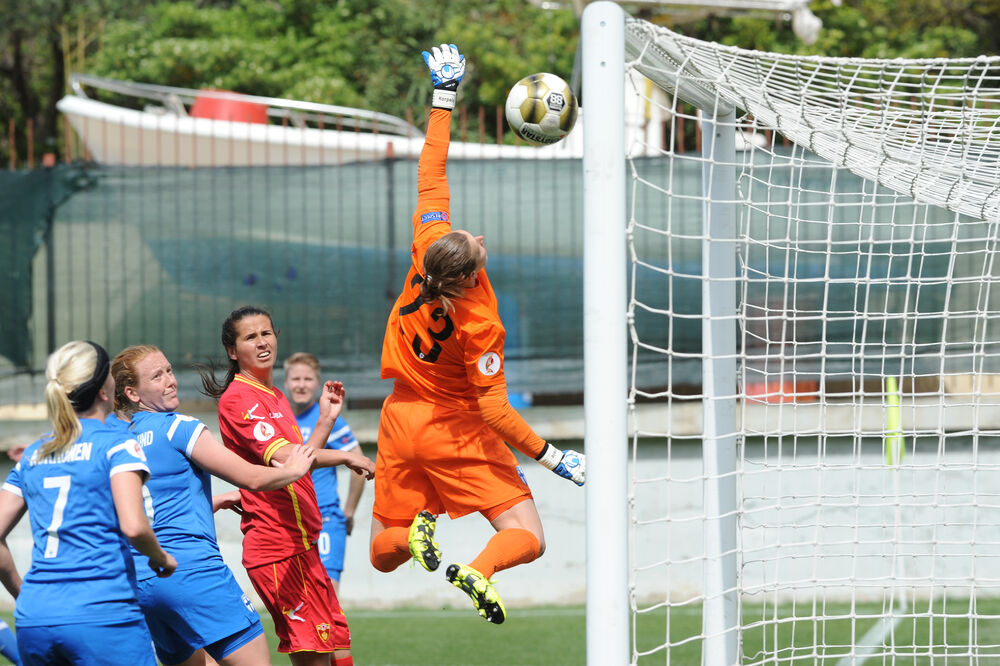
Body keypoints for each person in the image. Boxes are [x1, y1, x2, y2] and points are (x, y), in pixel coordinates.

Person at [369, 44, 586, 625]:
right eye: (479, 244)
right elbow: (493, 409)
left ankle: (413, 534)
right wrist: (553, 457)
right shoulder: (480, 320)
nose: (482, 236)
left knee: (381, 553)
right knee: (528, 535)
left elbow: (431, 171)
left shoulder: (424, 254)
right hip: (454, 429)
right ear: (467, 273)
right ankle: (480, 570)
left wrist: (444, 95)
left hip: (398, 419)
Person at [112, 344, 319, 666]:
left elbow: (149, 508)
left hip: (142, 580)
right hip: (193, 572)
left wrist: (215, 501)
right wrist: (294, 468)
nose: (170, 380)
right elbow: (250, 478)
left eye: (168, 370)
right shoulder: (179, 427)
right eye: (156, 376)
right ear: (133, 393)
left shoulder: (115, 439)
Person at [201, 305, 375, 666]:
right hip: (279, 550)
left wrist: (325, 420)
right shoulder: (239, 399)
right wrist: (345, 456)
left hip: (304, 544)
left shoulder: (275, 395)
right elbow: (288, 461)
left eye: (267, 333)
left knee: (339, 649)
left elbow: (300, 461)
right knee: (314, 656)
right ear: (233, 351)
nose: (262, 342)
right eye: (251, 337)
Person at [0, 340, 176, 664]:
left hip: (35, 618)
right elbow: (135, 527)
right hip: (103, 615)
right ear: (104, 391)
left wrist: (24, 595)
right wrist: (161, 558)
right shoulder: (117, 445)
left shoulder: (33, 455)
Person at [284, 353, 365, 594]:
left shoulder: (330, 420)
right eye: (295, 378)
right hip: (289, 525)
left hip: (325, 521)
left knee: (328, 598)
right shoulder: (278, 419)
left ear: (317, 384)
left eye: (308, 379)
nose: (301, 384)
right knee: (296, 604)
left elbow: (359, 465)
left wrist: (348, 512)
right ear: (286, 383)